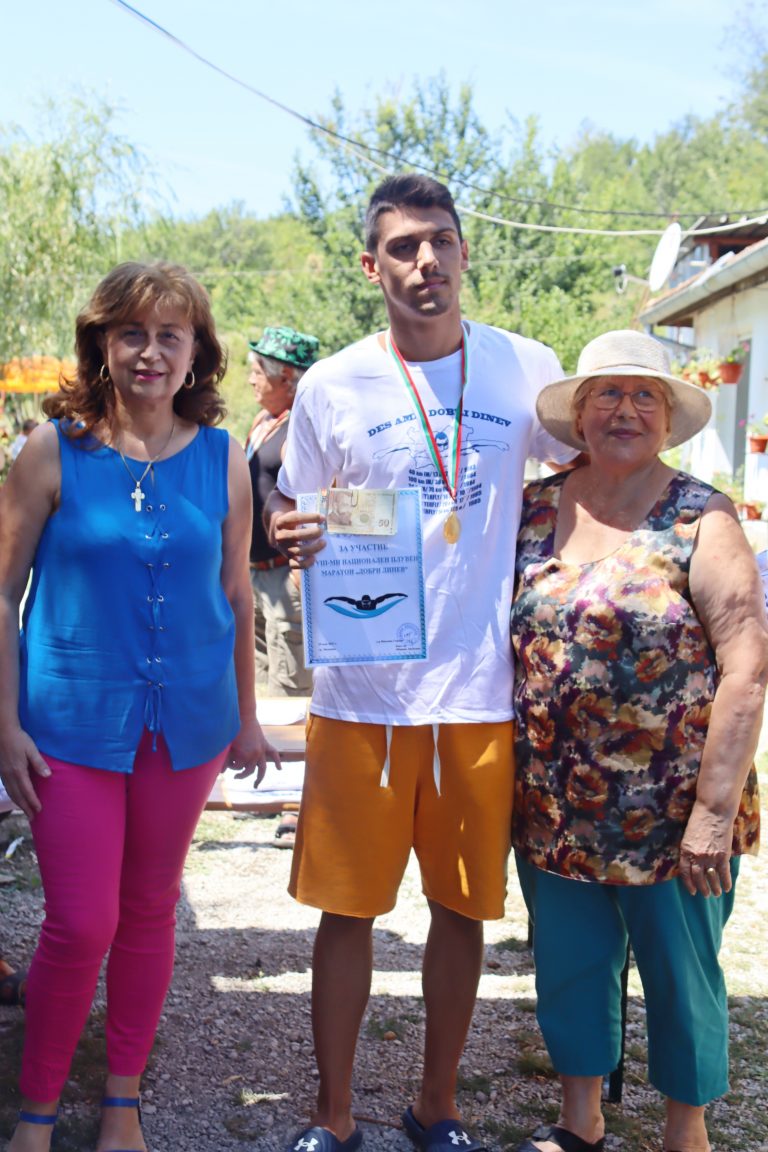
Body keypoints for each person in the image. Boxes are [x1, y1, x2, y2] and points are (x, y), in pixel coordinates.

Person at [265, 173, 577, 1152]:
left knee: (458, 911)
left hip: (479, 699)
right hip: (364, 697)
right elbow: (290, 517)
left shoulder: (528, 369)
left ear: (465, 251)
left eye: (440, 240)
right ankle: (334, 1115)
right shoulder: (332, 384)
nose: (425, 262)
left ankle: (435, 1108)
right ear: (372, 266)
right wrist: (296, 533)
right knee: (346, 913)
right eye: (402, 247)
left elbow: (580, 487)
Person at [0, 261, 277, 1152]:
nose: (150, 352)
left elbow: (236, 593)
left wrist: (249, 715)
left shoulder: (224, 457)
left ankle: (124, 1098)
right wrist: (3, 724)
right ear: (102, 344)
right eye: (132, 333)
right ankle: (36, 1109)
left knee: (152, 907)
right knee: (82, 921)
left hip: (187, 727)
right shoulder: (51, 450)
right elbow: (2, 595)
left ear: (196, 349)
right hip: (67, 727)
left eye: (170, 334)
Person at [510, 330, 765, 1152]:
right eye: (607, 395)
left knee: (683, 980)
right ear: (579, 414)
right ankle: (579, 1120)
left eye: (644, 395)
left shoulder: (703, 516)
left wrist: (715, 815)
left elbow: (748, 667)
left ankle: (685, 1133)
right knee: (571, 967)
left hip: (674, 810)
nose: (625, 410)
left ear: (667, 416)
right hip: (555, 802)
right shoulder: (536, 505)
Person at [246, 325, 318, 697]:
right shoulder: (263, 422)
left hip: (282, 577)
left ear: (285, 377)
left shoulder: (301, 428)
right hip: (255, 576)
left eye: (257, 372)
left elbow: (317, 497)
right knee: (258, 680)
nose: (250, 380)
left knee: (289, 690)